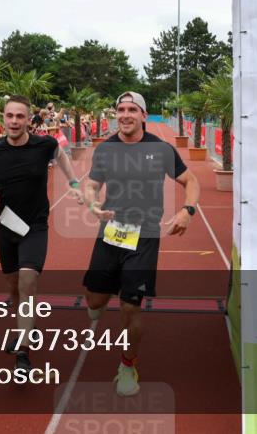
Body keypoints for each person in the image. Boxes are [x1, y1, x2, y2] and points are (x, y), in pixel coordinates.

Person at [81, 91, 200, 397]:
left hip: (145, 235)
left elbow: (191, 182)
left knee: (130, 306)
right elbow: (91, 185)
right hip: (110, 232)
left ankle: (127, 365)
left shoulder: (160, 149)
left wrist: (187, 210)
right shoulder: (106, 149)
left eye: (132, 109)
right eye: (120, 109)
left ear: (144, 115)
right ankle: (101, 298)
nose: (125, 114)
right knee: (94, 301)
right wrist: (92, 203)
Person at [0, 95, 83, 371]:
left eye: (20, 116)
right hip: (6, 225)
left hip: (35, 225)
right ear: (3, 118)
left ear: (28, 120)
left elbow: (61, 155)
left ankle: (23, 352)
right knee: (14, 286)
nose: (14, 121)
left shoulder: (43, 145)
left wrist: (73, 183)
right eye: (9, 116)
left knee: (27, 281)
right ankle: (27, 327)